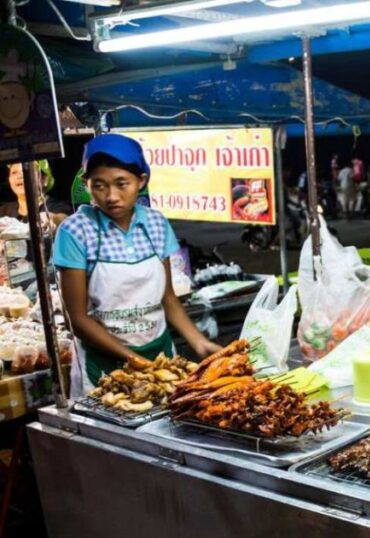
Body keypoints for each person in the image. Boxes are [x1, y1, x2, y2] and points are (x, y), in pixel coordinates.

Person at [53, 134, 221, 386]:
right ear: (86, 184)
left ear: (140, 181)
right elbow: (77, 319)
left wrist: (198, 340)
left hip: (161, 355)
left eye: (122, 184)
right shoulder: (75, 231)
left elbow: (167, 298)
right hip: (105, 368)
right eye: (99, 185)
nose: (111, 196)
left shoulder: (156, 223)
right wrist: (135, 361)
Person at [1, 162, 68, 228]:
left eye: (27, 171)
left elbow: (62, 219)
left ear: (44, 180)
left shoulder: (59, 207)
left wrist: (50, 217)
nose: (20, 176)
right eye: (14, 173)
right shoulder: (3, 211)